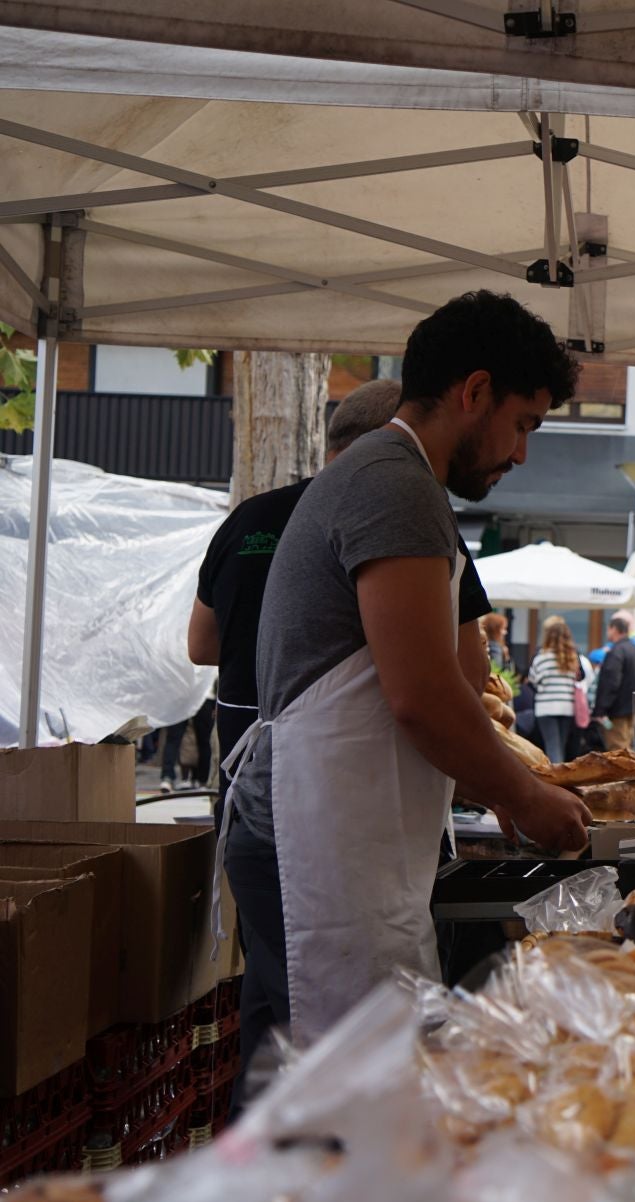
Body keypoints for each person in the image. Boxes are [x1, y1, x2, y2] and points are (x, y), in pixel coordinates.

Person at [222, 290, 592, 1064]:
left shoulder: (394, 480)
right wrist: (524, 797)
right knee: (349, 1084)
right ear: (476, 392)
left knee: (348, 1080)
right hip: (310, 827)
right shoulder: (396, 486)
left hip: (329, 818)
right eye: (522, 424)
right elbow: (423, 695)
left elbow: (441, 681)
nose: (521, 454)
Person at [188, 378, 498, 796]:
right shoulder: (411, 522)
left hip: (244, 781)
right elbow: (469, 672)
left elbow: (202, 645)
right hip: (357, 786)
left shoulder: (249, 517)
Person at [527, 616, 586, 764]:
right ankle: (561, 780)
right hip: (567, 708)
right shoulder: (572, 658)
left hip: (545, 708)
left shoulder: (541, 658)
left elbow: (532, 681)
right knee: (561, 746)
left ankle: (555, 781)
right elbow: (580, 677)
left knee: (552, 747)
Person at [592, 611, 635, 750]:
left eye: (608, 629)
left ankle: (625, 773)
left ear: (614, 629)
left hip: (617, 710)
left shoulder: (616, 652)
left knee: (617, 750)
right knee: (628, 746)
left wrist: (600, 710)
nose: (607, 632)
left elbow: (610, 683)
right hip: (633, 707)